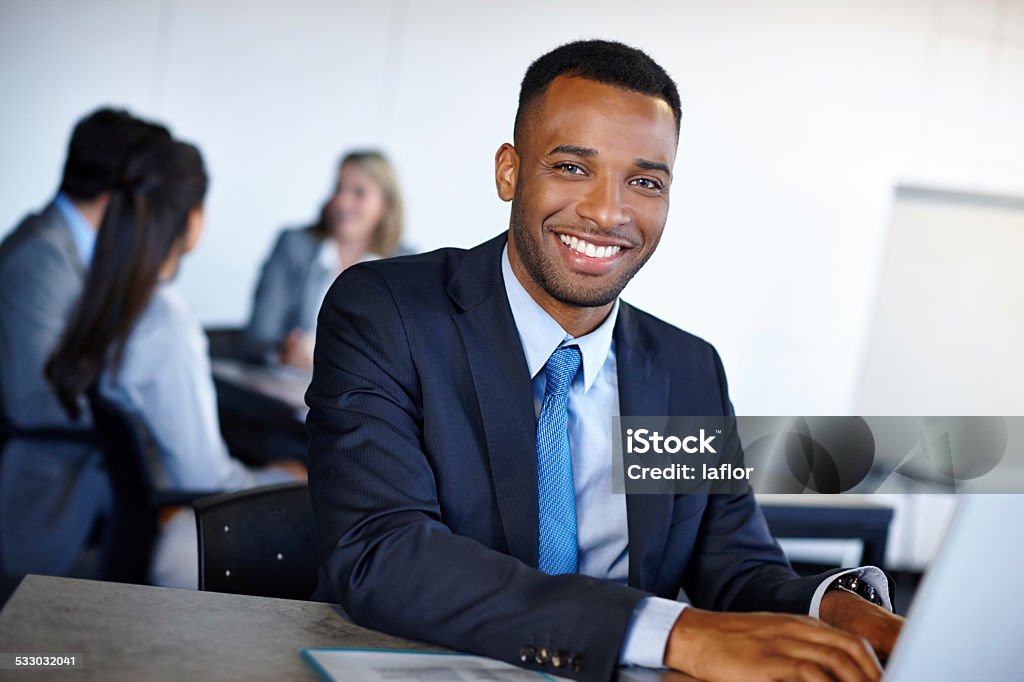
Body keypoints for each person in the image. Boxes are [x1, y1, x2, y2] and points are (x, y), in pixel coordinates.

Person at [306, 40, 904, 682]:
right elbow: (385, 553)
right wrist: (673, 633)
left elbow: (733, 565)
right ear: (510, 171)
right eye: (571, 167)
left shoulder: (683, 369)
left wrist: (837, 610)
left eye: (644, 181)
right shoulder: (391, 313)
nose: (608, 212)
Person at [45, 139, 305, 588]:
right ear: (193, 220)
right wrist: (280, 478)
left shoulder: (114, 301)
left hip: (135, 525)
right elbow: (204, 479)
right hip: (183, 531)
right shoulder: (166, 321)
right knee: (318, 493)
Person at [0, 108, 170, 580]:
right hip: (46, 491)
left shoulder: (77, 249)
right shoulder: (42, 255)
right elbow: (31, 402)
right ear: (123, 184)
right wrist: (134, 409)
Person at [243, 150, 406, 368]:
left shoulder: (404, 264)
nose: (342, 201)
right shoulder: (294, 245)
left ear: (386, 206)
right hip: (293, 387)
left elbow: (407, 358)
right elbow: (259, 336)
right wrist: (286, 351)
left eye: (359, 193)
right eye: (339, 189)